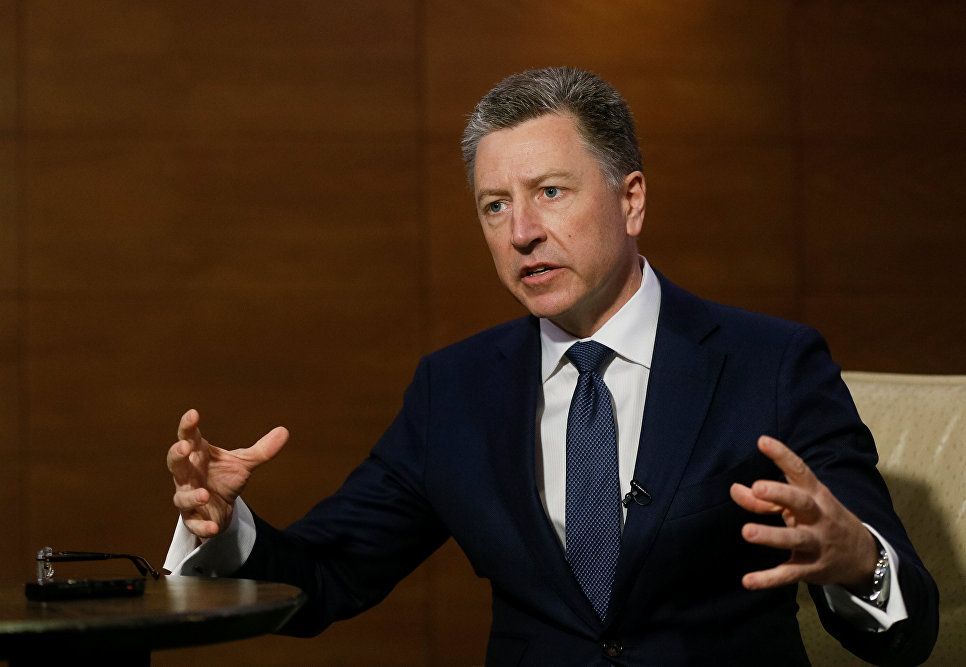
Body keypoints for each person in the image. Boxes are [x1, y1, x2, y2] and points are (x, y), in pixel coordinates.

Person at [165, 67, 938, 664]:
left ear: (631, 201)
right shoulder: (454, 390)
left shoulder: (770, 362)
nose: (521, 232)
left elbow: (911, 623)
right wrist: (226, 526)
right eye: (495, 205)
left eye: (550, 192)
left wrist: (856, 560)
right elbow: (328, 576)